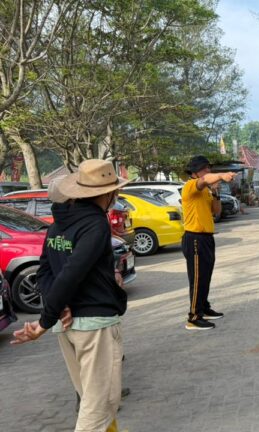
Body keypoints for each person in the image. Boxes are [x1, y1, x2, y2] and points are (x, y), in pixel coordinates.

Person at [12, 159, 129, 432]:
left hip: (67, 325)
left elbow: (46, 270)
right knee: (99, 406)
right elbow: (71, 273)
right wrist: (44, 321)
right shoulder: (95, 224)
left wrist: (58, 306)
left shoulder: (59, 224)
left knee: (92, 400)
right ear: (109, 193)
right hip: (95, 325)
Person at [182, 156, 235, 330]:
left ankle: (203, 307)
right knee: (197, 278)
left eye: (208, 168)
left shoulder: (205, 190)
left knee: (205, 276)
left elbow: (216, 211)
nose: (208, 172)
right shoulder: (191, 185)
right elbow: (204, 180)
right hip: (194, 238)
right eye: (205, 169)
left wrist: (216, 192)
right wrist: (222, 175)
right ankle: (193, 317)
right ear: (195, 172)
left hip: (206, 237)